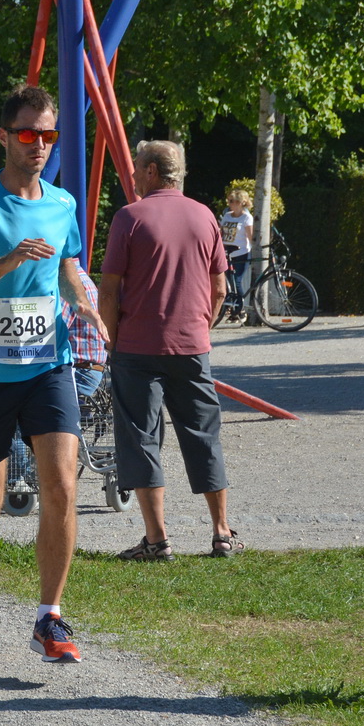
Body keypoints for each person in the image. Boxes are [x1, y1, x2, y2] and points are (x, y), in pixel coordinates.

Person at [0, 86, 104, 664]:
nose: (40, 145)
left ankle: (49, 617)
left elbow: (67, 266)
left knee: (62, 486)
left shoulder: (62, 204)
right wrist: (8, 260)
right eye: (29, 134)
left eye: (49, 135)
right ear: (4, 137)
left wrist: (82, 299)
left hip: (48, 365)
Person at [100, 139, 242, 560]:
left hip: (137, 348)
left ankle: (156, 540)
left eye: (136, 166)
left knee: (141, 439)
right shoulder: (204, 216)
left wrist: (112, 340)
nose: (132, 174)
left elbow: (108, 291)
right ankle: (221, 533)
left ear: (151, 172)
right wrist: (198, 329)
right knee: (204, 436)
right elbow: (219, 289)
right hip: (190, 348)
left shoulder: (129, 217)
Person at [219, 187, 254, 303]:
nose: (229, 204)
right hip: (226, 253)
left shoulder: (246, 218)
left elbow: (250, 237)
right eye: (229, 201)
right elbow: (221, 232)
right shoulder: (227, 216)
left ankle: (240, 306)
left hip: (241, 253)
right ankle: (229, 306)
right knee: (226, 282)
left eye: (232, 201)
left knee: (236, 280)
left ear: (240, 203)